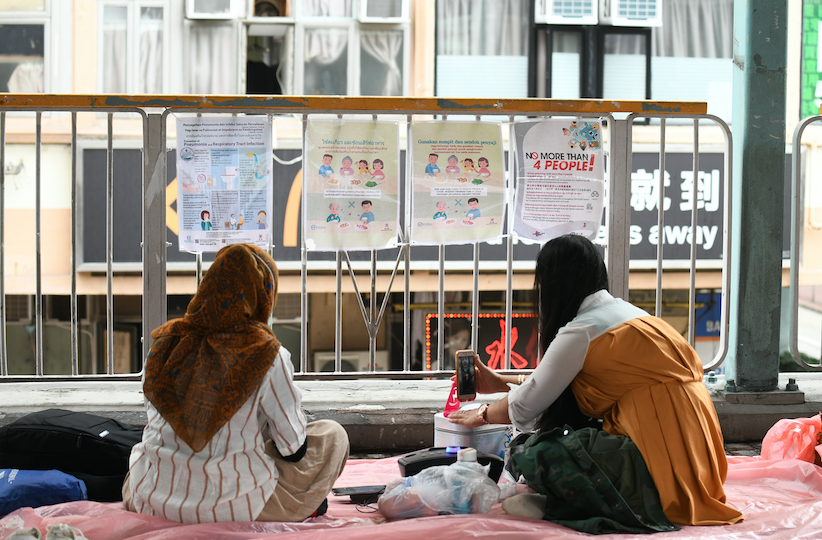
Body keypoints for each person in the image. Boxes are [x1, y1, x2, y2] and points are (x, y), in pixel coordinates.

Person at [447, 235, 743, 527]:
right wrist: (500, 381)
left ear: (553, 285)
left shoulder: (583, 330)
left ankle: (574, 504)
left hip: (660, 464)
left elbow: (527, 404)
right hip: (704, 463)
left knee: (539, 454)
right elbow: (552, 381)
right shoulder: (629, 315)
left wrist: (483, 414)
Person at [122, 244, 349, 524]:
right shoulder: (266, 353)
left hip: (150, 499)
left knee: (143, 455)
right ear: (263, 294)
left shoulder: (164, 341)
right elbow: (293, 449)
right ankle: (300, 506)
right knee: (332, 435)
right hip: (229, 508)